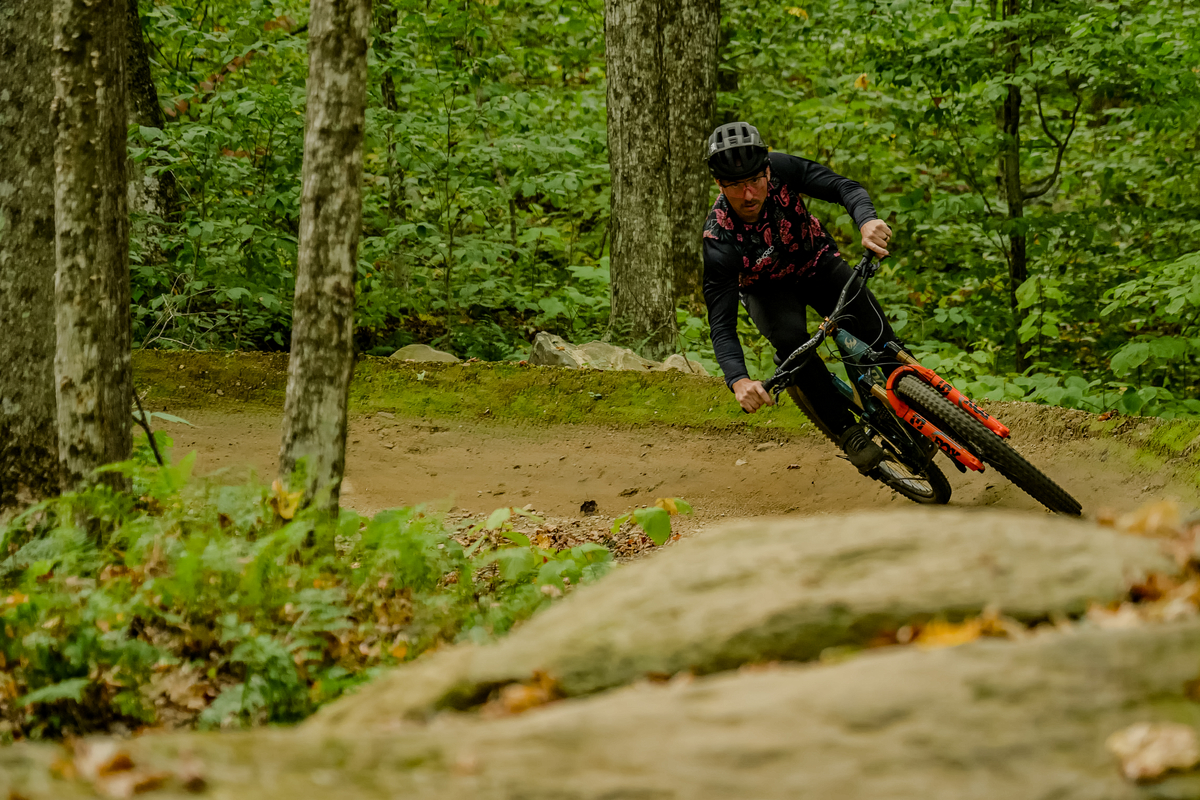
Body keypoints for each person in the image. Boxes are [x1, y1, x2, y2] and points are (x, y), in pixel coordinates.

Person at [702, 121, 897, 474]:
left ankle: (913, 398)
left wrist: (866, 221)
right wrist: (739, 380)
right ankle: (848, 433)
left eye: (755, 181)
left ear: (766, 170)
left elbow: (843, 187)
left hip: (816, 261)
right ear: (719, 183)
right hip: (767, 291)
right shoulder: (719, 240)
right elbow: (722, 325)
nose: (748, 195)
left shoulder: (782, 170)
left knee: (882, 340)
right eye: (734, 186)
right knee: (794, 344)